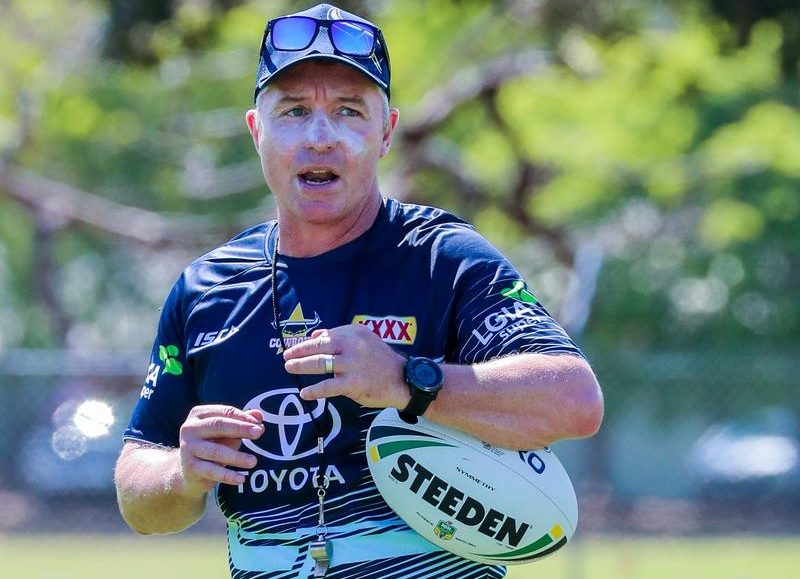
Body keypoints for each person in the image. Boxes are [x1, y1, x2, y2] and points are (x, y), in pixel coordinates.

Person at [114, 3, 604, 578]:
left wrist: (406, 381)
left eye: (348, 111)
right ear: (256, 130)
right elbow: (137, 490)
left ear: (386, 132)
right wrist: (181, 474)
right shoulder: (205, 289)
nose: (320, 137)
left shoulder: (443, 259)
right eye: (294, 111)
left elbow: (575, 401)